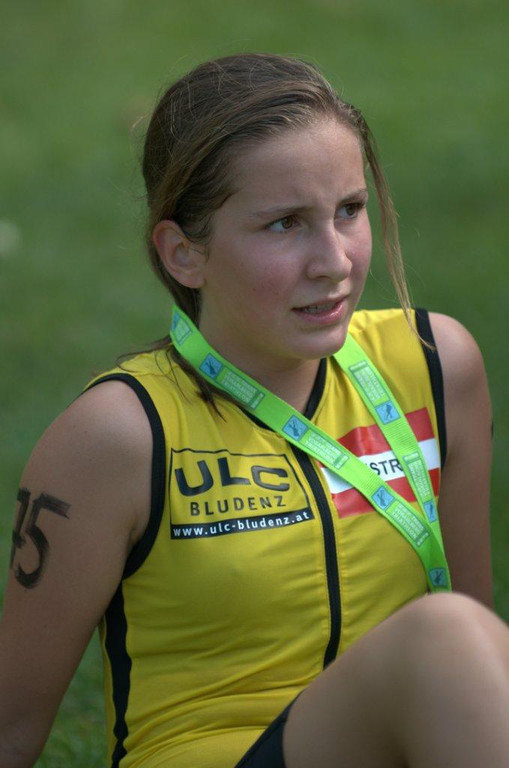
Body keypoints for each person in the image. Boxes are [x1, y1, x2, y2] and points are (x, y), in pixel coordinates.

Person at [0, 52, 508, 768]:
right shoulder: (119, 435)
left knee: (455, 637)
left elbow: (480, 673)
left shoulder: (433, 365)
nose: (333, 260)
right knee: (443, 634)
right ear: (183, 254)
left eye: (349, 210)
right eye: (284, 224)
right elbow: (10, 728)